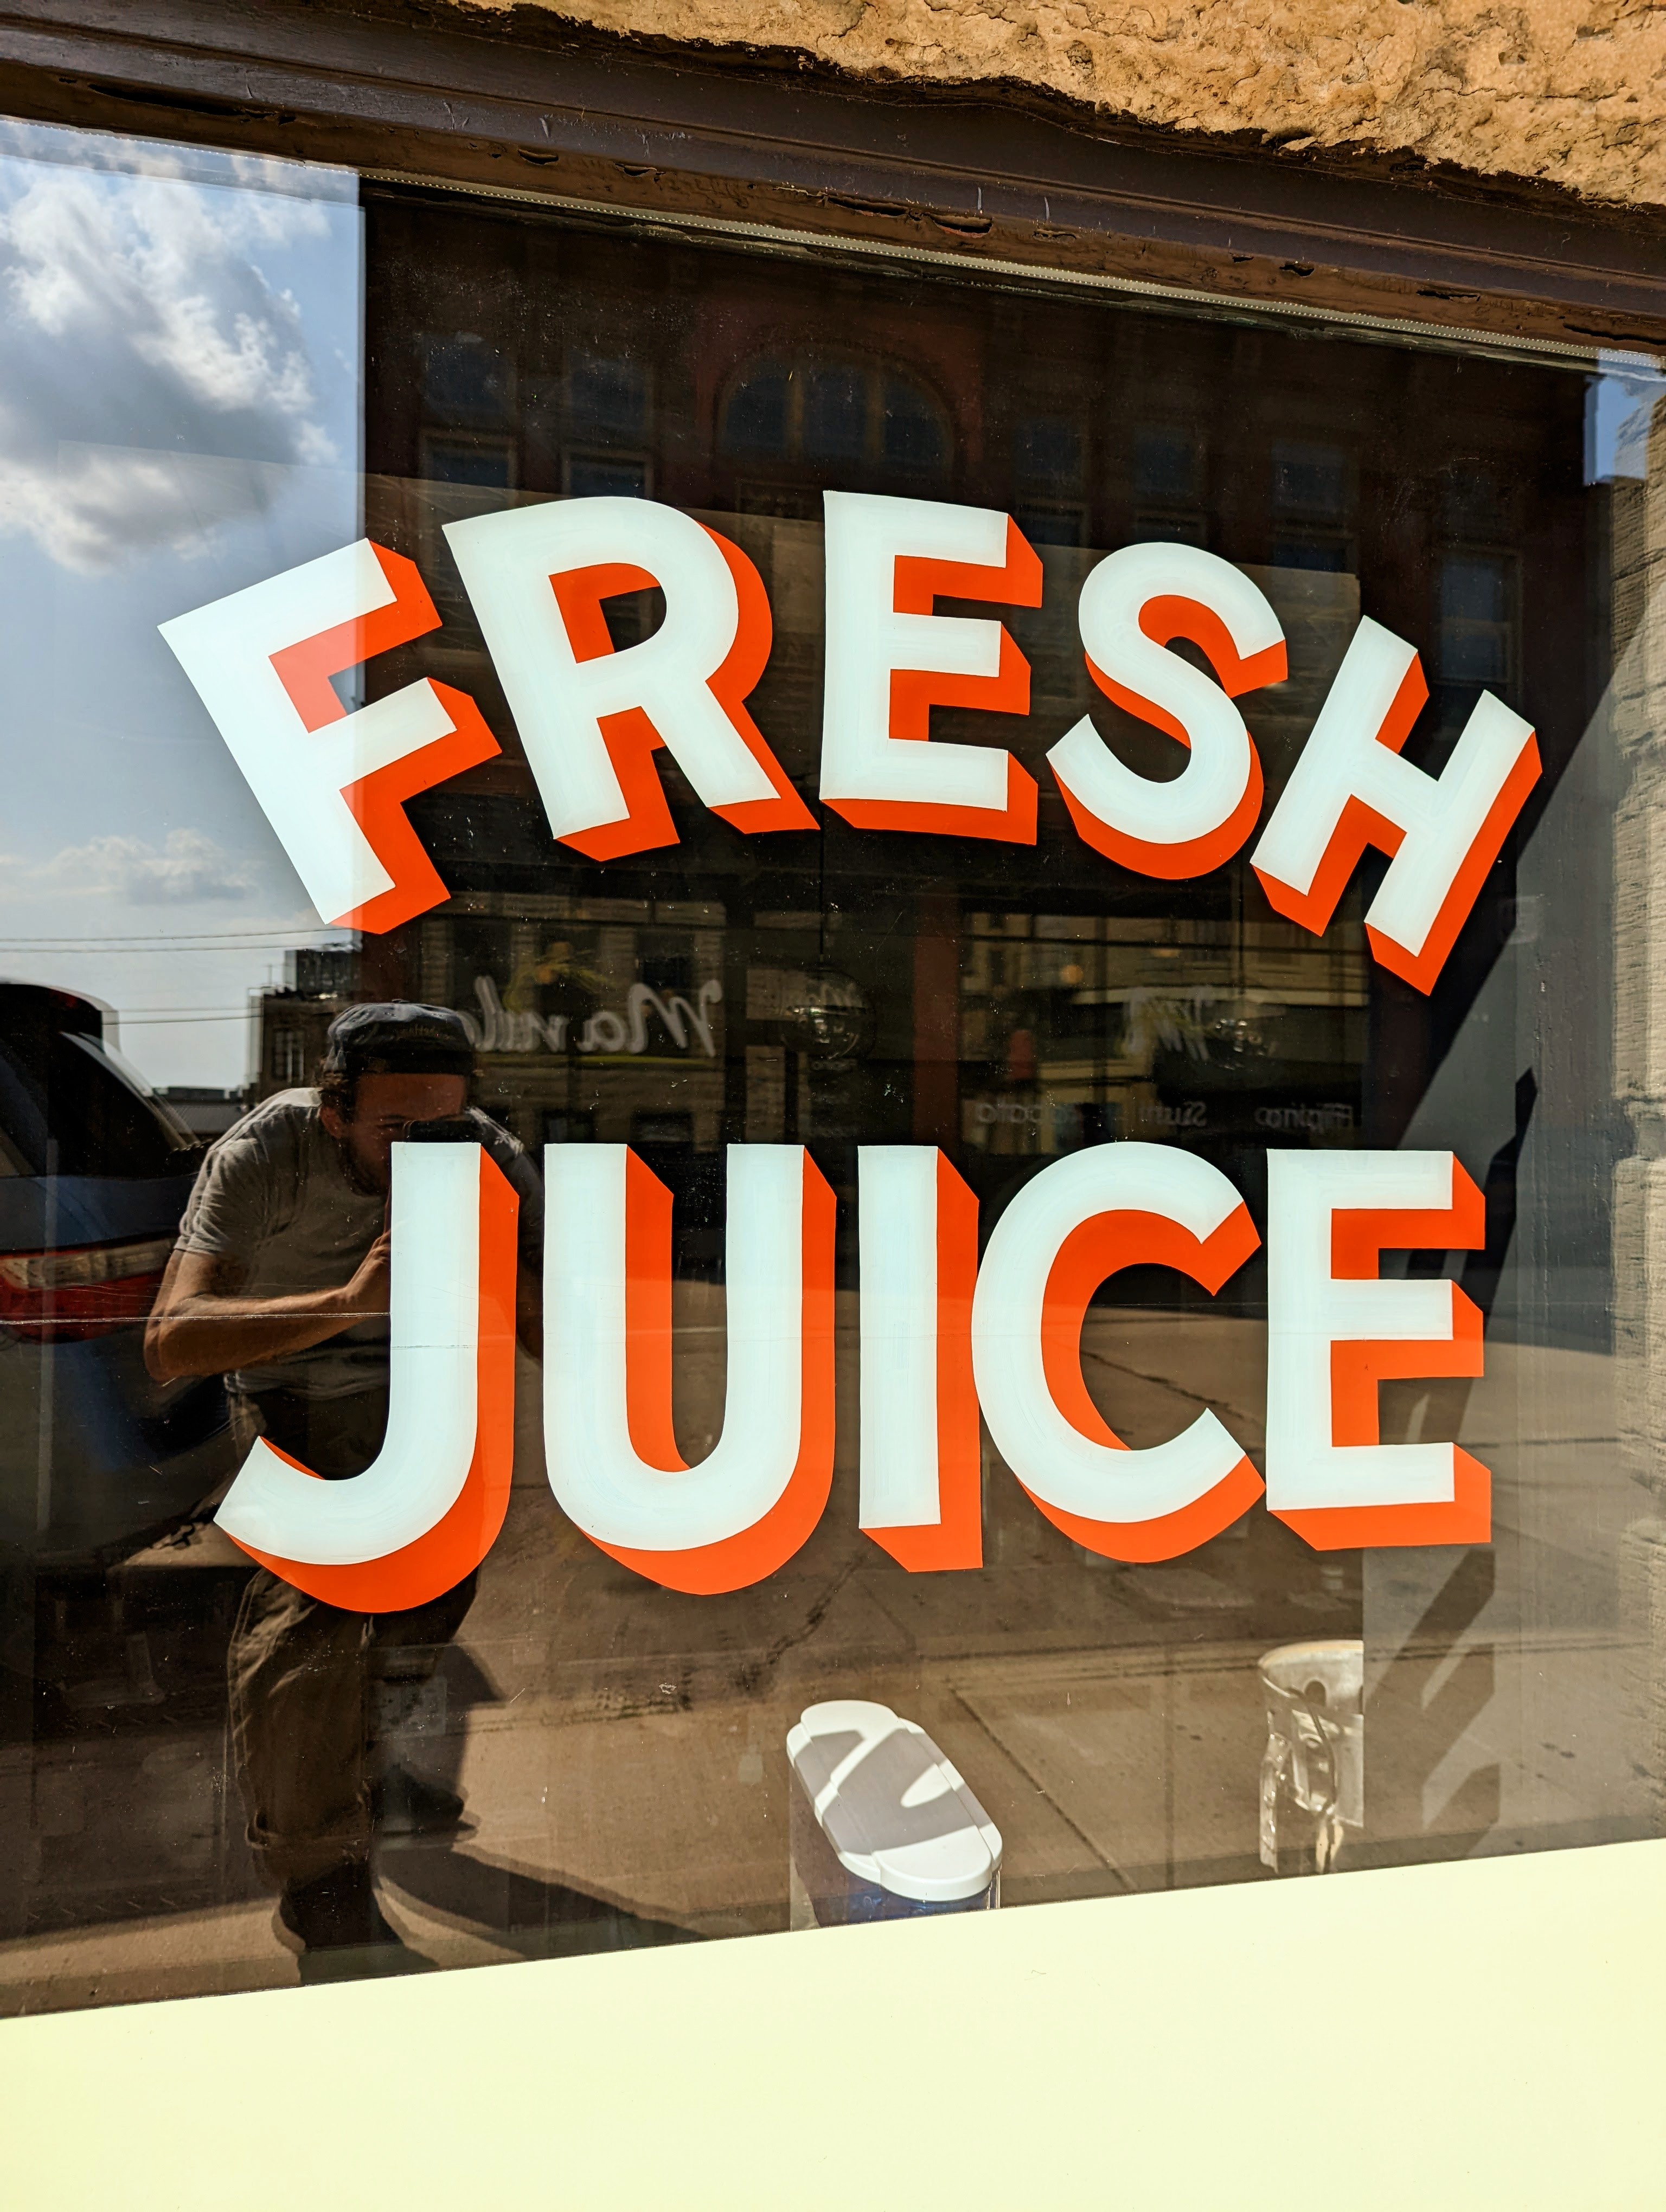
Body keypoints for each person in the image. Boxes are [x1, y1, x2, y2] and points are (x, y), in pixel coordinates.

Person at [145, 1003, 542, 1976]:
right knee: (318, 1609)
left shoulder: (486, 1154)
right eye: (393, 1128)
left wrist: (508, 1262)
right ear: (335, 1113)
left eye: (442, 1126)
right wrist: (348, 1302)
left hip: (423, 1396)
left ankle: (356, 1768)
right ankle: (318, 1874)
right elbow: (171, 1341)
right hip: (291, 1394)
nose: (420, 1151)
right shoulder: (267, 1152)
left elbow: (557, 1329)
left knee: (435, 1587)